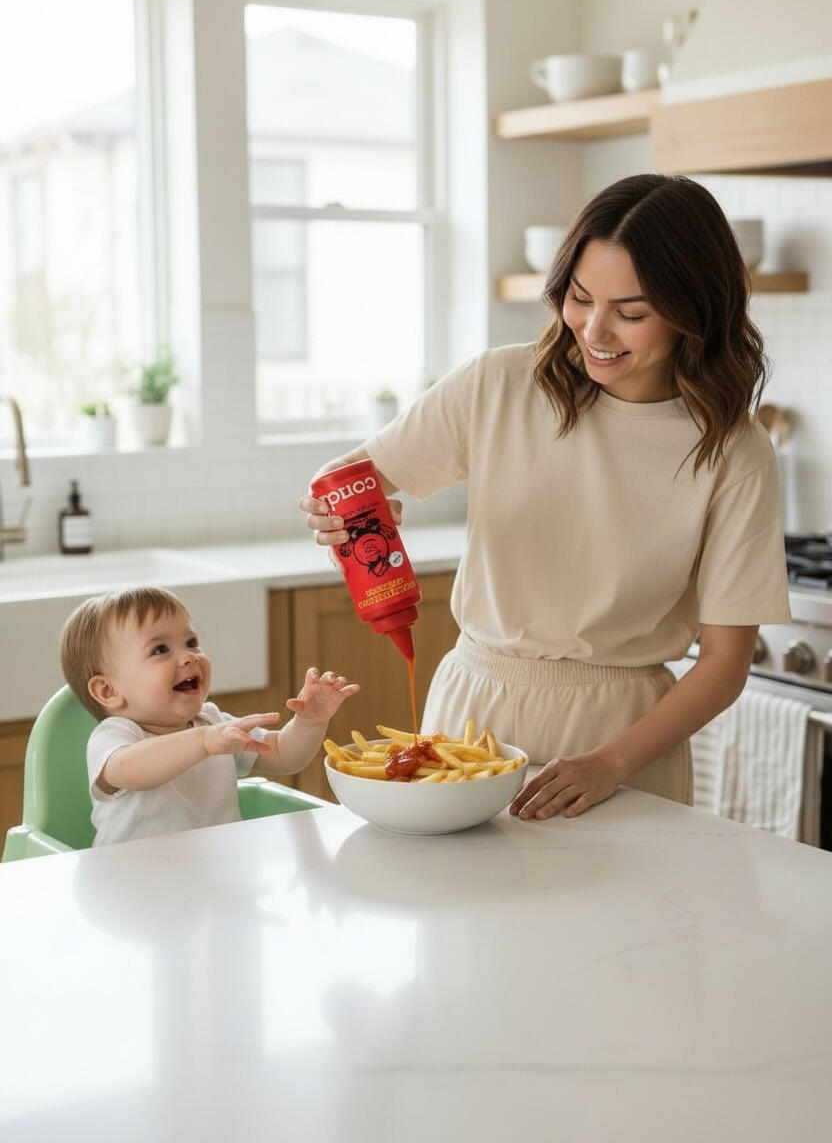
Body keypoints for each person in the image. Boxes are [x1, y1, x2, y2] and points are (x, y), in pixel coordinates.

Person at [299, 173, 791, 822]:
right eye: (580, 298)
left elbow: (726, 664)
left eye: (632, 312)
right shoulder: (499, 384)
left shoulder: (735, 450)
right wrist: (343, 512)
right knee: (466, 922)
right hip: (474, 711)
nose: (594, 329)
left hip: (626, 736)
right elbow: (351, 477)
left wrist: (612, 762)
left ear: (693, 310)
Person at [60, 586, 359, 846]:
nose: (189, 656)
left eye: (191, 643)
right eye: (160, 649)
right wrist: (203, 742)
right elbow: (128, 771)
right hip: (134, 887)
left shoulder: (212, 722)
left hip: (216, 876)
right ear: (108, 691)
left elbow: (283, 754)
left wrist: (310, 721)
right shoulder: (116, 736)